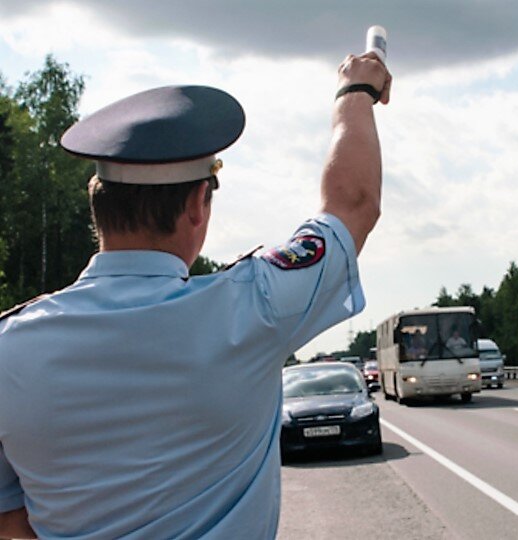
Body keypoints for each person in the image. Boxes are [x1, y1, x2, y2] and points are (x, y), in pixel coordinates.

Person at [0, 50, 391, 539]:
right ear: (195, 207)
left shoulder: (9, 346)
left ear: (97, 204)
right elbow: (352, 204)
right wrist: (355, 91)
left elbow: (10, 520)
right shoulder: (254, 308)